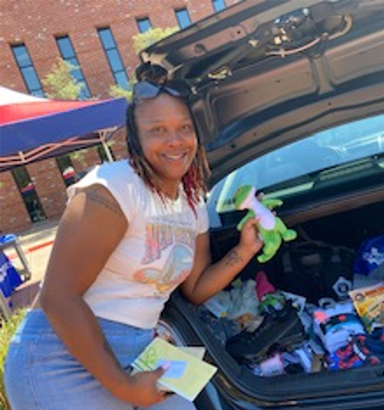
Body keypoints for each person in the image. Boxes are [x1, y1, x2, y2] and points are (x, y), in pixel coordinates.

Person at [4, 62, 263, 410]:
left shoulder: (192, 203)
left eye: (184, 127)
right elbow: (59, 297)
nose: (175, 141)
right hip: (59, 360)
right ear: (135, 138)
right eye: (158, 130)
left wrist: (244, 250)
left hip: (138, 353)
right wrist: (124, 387)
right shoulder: (112, 188)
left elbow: (197, 288)